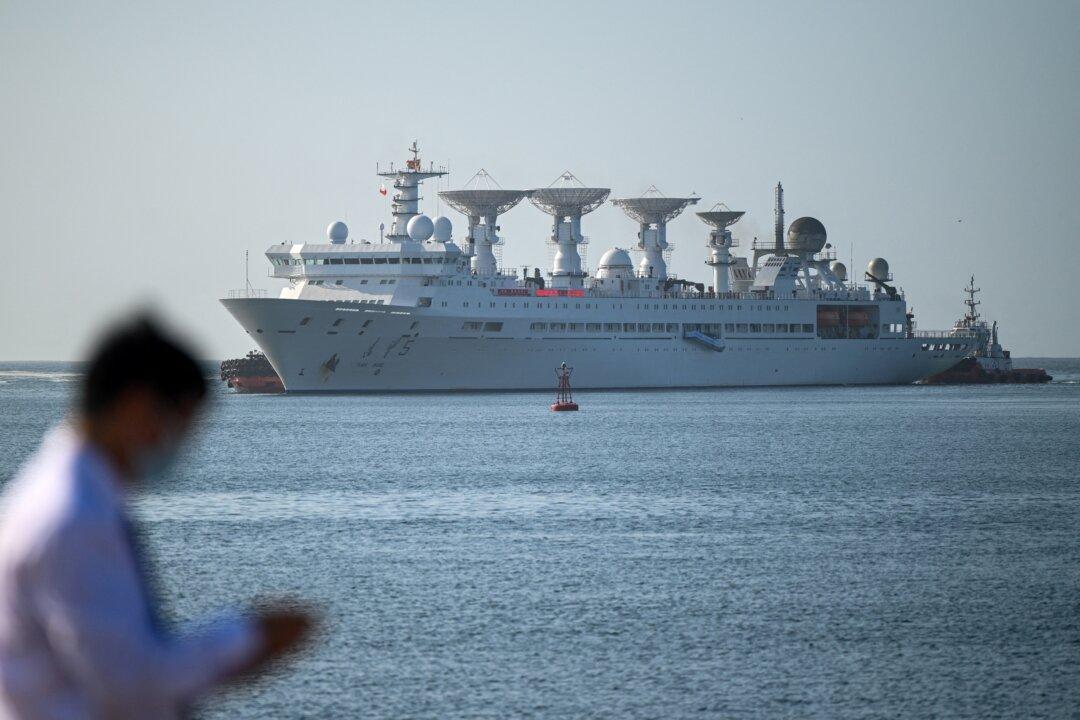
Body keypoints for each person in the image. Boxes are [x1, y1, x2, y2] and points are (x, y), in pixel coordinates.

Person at [0, 316, 313, 719]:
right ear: (138, 405)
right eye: (181, 424)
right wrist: (250, 635)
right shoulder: (73, 518)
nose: (181, 443)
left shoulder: (58, 492)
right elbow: (131, 685)